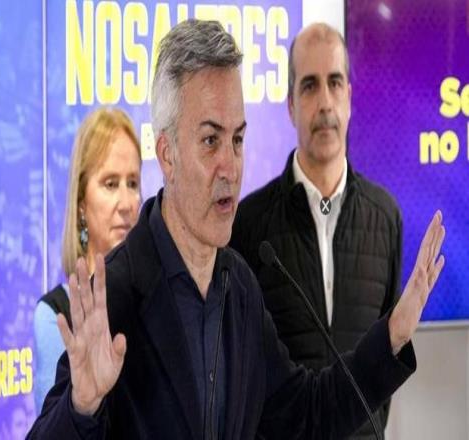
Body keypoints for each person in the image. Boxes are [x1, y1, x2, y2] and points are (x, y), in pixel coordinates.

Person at [27, 19, 445, 440]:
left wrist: (392, 336)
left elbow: (305, 413)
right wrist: (82, 407)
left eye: (238, 140)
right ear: (167, 155)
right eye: (211, 141)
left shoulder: (239, 286)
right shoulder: (116, 293)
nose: (230, 166)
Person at [230, 23, 401, 438]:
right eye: (309, 86)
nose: (325, 102)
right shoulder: (249, 224)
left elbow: (387, 355)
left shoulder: (385, 217)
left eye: (334, 83)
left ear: (349, 99)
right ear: (290, 105)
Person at [33, 107, 142, 411]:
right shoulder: (55, 316)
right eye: (111, 183)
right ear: (82, 202)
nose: (126, 203)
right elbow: (51, 427)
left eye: (133, 183)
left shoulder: (157, 295)